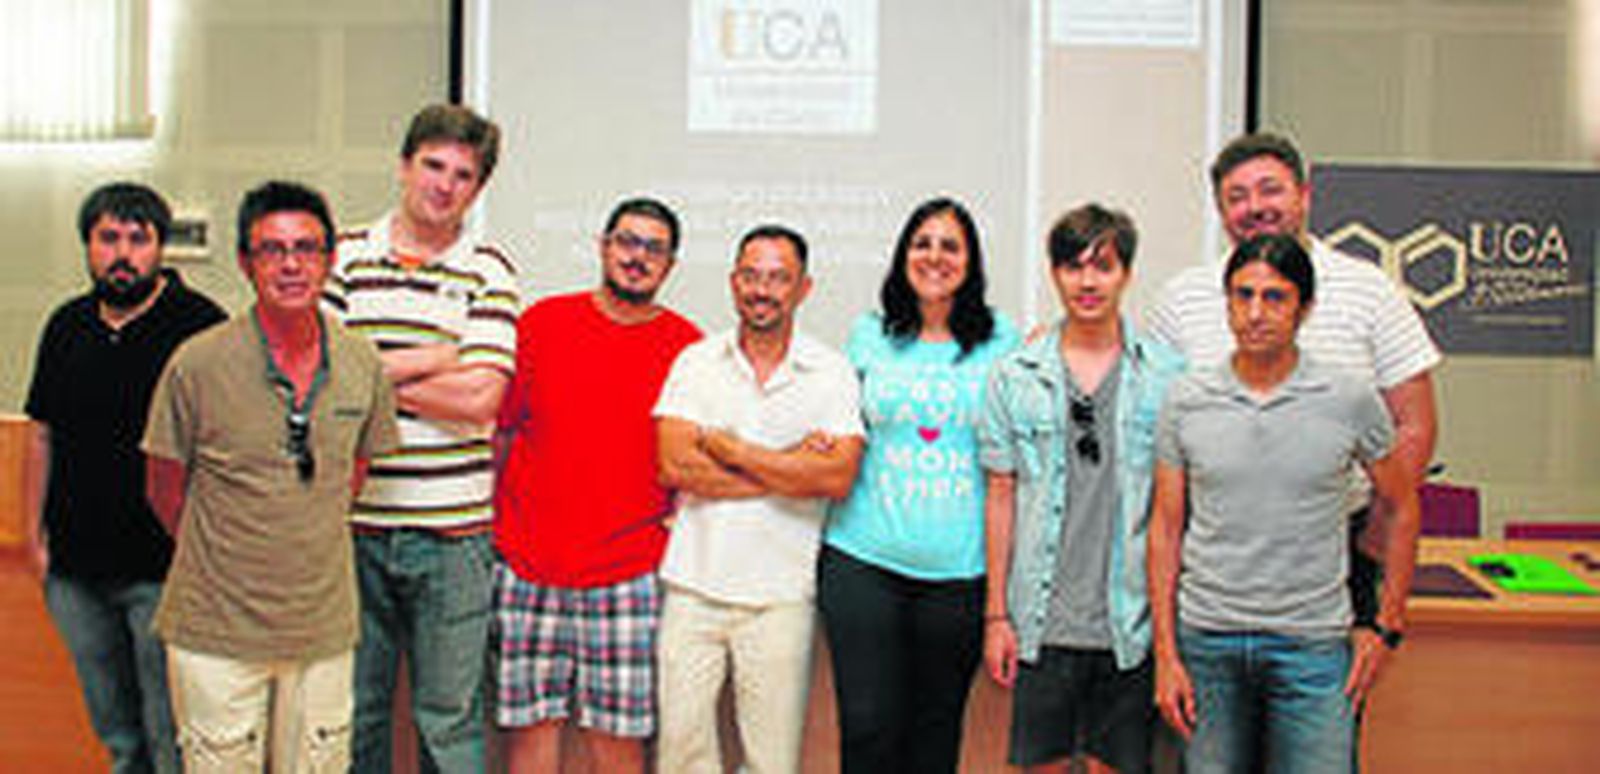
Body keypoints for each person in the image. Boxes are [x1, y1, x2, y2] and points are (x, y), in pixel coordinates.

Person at [142, 181, 399, 773]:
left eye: (307, 249)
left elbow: (351, 476)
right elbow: (163, 487)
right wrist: (234, 559)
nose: (291, 265)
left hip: (323, 628)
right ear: (244, 262)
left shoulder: (361, 363)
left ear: (330, 261)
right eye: (272, 250)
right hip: (215, 630)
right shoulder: (198, 363)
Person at [1145, 132, 1439, 637]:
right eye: (1237, 197)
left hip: (1338, 550)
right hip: (1214, 561)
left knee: (1325, 708)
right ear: (1220, 210)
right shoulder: (1182, 299)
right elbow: (1160, 433)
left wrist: (1377, 528)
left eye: (1270, 190)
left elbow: (1413, 422)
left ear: (1304, 195)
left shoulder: (1369, 289)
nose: (1255, 207)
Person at [1147, 234, 1422, 773]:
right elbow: (1165, 527)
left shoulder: (1349, 399)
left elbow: (1402, 505)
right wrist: (1166, 654)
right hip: (1207, 643)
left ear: (1305, 307)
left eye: (1275, 297)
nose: (1255, 313)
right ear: (1225, 303)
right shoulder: (1186, 398)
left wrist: (1386, 624)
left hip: (1313, 649)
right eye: (1242, 295)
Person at [324, 103, 516, 773]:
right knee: (353, 716)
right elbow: (317, 378)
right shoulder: (343, 256)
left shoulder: (491, 271)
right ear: (404, 166)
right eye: (432, 165)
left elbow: (481, 400)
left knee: (449, 722)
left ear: (478, 188)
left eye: (462, 174)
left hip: (456, 541)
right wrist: (435, 357)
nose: (443, 183)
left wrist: (369, 373)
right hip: (351, 530)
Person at [23, 181, 226, 774]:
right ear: (87, 245)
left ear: (160, 248)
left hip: (165, 572)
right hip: (76, 573)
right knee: (117, 735)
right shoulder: (67, 326)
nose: (123, 253)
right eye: (109, 237)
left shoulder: (199, 327)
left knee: (172, 735)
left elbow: (224, 448)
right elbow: (42, 433)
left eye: (139, 239)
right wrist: (32, 537)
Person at [493, 197, 702, 773]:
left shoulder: (689, 348)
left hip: (628, 571)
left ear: (670, 264)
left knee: (618, 741)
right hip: (528, 563)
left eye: (653, 248)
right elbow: (503, 434)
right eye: (627, 242)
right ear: (603, 246)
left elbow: (691, 464)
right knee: (531, 733)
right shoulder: (542, 323)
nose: (637, 257)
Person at [978, 205, 1184, 773]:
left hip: (1131, 623)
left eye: (1104, 266)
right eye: (1073, 267)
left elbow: (1175, 513)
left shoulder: (1168, 377)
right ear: (1054, 272)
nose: (1088, 282)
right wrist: (997, 617)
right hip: (1040, 621)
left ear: (1127, 274)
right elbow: (1000, 496)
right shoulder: (1014, 374)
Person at [654, 225, 865, 773]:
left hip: (780, 596)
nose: (762, 289)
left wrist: (730, 449)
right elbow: (675, 465)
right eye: (751, 275)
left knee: (772, 762)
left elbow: (838, 476)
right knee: (680, 753)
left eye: (778, 278)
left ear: (803, 288)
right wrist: (791, 462)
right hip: (693, 588)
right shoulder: (696, 361)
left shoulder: (831, 372)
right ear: (733, 281)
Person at [817, 197, 1018, 773]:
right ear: (904, 256)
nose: (935, 257)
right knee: (868, 726)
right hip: (862, 561)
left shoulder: (1003, 341)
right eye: (922, 244)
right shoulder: (869, 334)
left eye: (950, 246)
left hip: (960, 572)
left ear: (971, 261)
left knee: (934, 736)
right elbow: (837, 425)